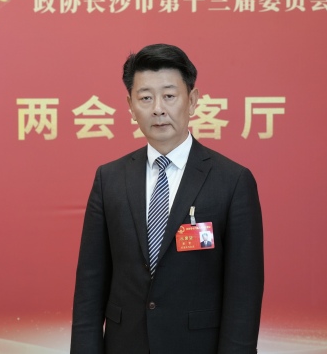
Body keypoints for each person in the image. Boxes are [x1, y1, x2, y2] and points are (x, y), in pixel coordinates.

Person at [71, 43, 264, 354]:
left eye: (169, 96)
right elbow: (89, 287)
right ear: (130, 106)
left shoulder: (232, 181)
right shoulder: (110, 179)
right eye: (146, 97)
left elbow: (244, 292)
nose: (158, 109)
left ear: (193, 100)